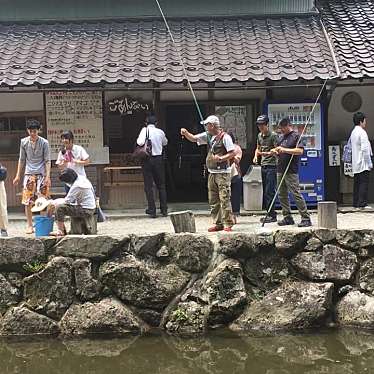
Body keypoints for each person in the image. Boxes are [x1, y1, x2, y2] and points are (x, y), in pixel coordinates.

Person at [181, 115, 235, 232]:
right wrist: (185, 133)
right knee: (213, 199)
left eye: (206, 125)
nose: (205, 126)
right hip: (211, 172)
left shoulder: (225, 137)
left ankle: (228, 223)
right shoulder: (208, 136)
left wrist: (221, 158)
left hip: (222, 173)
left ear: (212, 125)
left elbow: (232, 153)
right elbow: (194, 138)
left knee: (224, 198)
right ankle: (218, 223)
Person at [270, 117, 312, 227]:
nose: (281, 130)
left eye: (283, 128)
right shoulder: (280, 138)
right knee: (282, 194)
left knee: (295, 193)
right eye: (280, 128)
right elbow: (279, 153)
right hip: (280, 169)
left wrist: (285, 150)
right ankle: (287, 217)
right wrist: (275, 152)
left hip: (291, 171)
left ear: (289, 125)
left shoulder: (296, 136)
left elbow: (299, 151)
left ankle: (305, 217)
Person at [13, 120, 51, 234]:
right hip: (29, 174)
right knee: (27, 200)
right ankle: (29, 225)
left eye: (34, 131)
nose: (32, 133)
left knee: (42, 199)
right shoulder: (24, 142)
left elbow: (47, 160)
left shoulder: (44, 142)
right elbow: (22, 159)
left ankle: (43, 223)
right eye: (30, 131)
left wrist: (47, 176)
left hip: (41, 173)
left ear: (38, 130)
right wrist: (17, 175)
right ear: (27, 130)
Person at [136, 114, 168, 218]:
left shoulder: (144, 130)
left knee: (148, 186)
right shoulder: (160, 132)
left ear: (146, 123)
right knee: (161, 185)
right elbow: (165, 142)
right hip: (158, 159)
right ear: (156, 123)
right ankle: (164, 210)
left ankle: (152, 210)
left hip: (147, 159)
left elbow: (140, 142)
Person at [50, 168, 96, 237]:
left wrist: (54, 202)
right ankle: (66, 230)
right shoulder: (82, 178)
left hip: (86, 210)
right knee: (63, 206)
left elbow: (67, 201)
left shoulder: (77, 185)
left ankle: (60, 231)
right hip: (89, 207)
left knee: (59, 208)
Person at [253, 114, 278, 223]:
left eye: (262, 125)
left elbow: (277, 151)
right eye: (259, 125)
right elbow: (257, 148)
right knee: (265, 191)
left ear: (267, 124)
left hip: (272, 166)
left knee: (269, 191)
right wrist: (255, 156)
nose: (260, 127)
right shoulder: (259, 136)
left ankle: (272, 215)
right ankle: (269, 213)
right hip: (263, 165)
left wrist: (265, 153)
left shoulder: (273, 136)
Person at [350, 112, 373, 209]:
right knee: (364, 183)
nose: (365, 122)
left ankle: (356, 202)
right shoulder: (362, 132)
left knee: (357, 183)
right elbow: (365, 149)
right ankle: (362, 203)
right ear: (361, 121)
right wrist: (369, 163)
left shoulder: (353, 132)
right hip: (363, 161)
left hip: (355, 161)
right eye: (364, 120)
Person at [228, 132, 242, 224]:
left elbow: (238, 160)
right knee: (226, 195)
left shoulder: (236, 148)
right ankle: (228, 215)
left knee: (235, 194)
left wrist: (232, 155)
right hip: (224, 173)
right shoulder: (222, 147)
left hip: (235, 173)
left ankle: (234, 214)